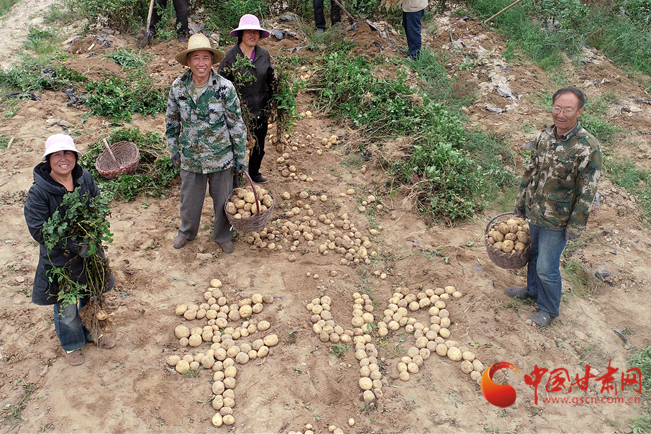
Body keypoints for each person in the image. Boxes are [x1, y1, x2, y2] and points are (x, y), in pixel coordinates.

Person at [506, 87, 601, 327]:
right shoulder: (545, 136)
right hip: (536, 210)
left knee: (548, 266)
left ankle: (548, 310)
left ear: (579, 111)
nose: (561, 114)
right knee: (533, 256)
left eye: (568, 109)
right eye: (557, 108)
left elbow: (587, 190)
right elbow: (531, 170)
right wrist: (520, 201)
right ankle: (532, 291)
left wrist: (576, 225)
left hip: (558, 219)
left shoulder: (587, 146)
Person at [24, 134, 116, 366]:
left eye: (68, 153)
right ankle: (72, 343)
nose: (63, 159)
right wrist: (74, 244)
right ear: (48, 160)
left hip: (89, 253)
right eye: (57, 154)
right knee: (66, 305)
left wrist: (94, 231)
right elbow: (39, 231)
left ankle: (94, 331)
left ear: (75, 156)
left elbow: (98, 206)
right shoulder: (38, 193)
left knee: (92, 293)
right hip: (59, 260)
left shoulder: (85, 178)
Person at [167, 33, 247, 251]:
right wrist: (174, 150)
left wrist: (240, 156)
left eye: (205, 58)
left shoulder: (225, 88)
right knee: (189, 201)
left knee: (224, 201)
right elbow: (171, 122)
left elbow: (236, 124)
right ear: (189, 61)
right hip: (191, 156)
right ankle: (187, 232)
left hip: (221, 157)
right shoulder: (178, 87)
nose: (201, 63)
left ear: (212, 61)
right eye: (196, 58)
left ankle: (223, 236)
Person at [218, 14, 275, 185]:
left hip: (261, 109)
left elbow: (271, 79)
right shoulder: (230, 56)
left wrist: (272, 102)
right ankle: (236, 178)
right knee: (237, 146)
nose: (253, 35)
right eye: (248, 31)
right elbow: (222, 84)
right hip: (238, 113)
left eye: (256, 32)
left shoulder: (264, 54)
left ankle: (255, 173)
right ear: (241, 34)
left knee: (258, 145)